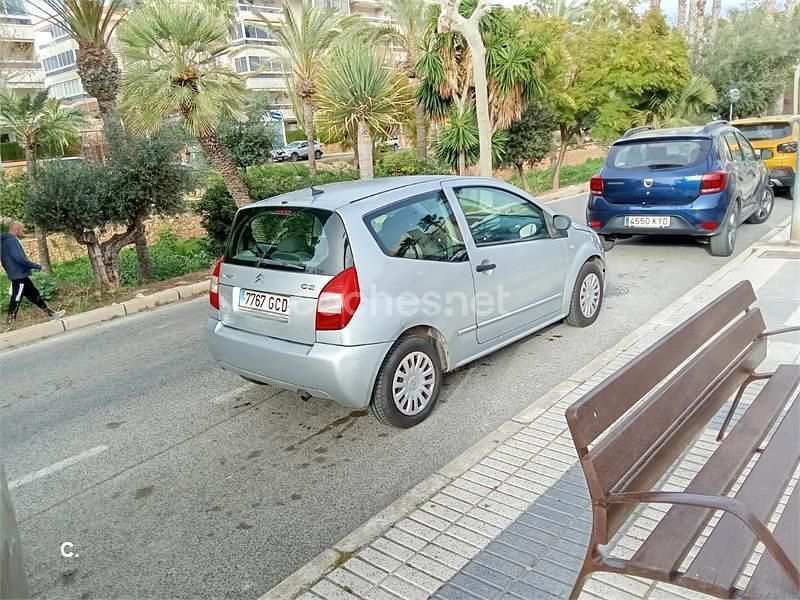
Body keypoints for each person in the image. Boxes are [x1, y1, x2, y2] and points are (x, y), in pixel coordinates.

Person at [1, 221, 65, 325]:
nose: (24, 232)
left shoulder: (5, 241)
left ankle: (50, 314)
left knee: (34, 295)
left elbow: (4, 260)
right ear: (16, 229)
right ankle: (10, 322)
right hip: (19, 275)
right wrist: (36, 266)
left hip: (19, 274)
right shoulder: (11, 241)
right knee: (16, 297)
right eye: (22, 230)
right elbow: (19, 259)